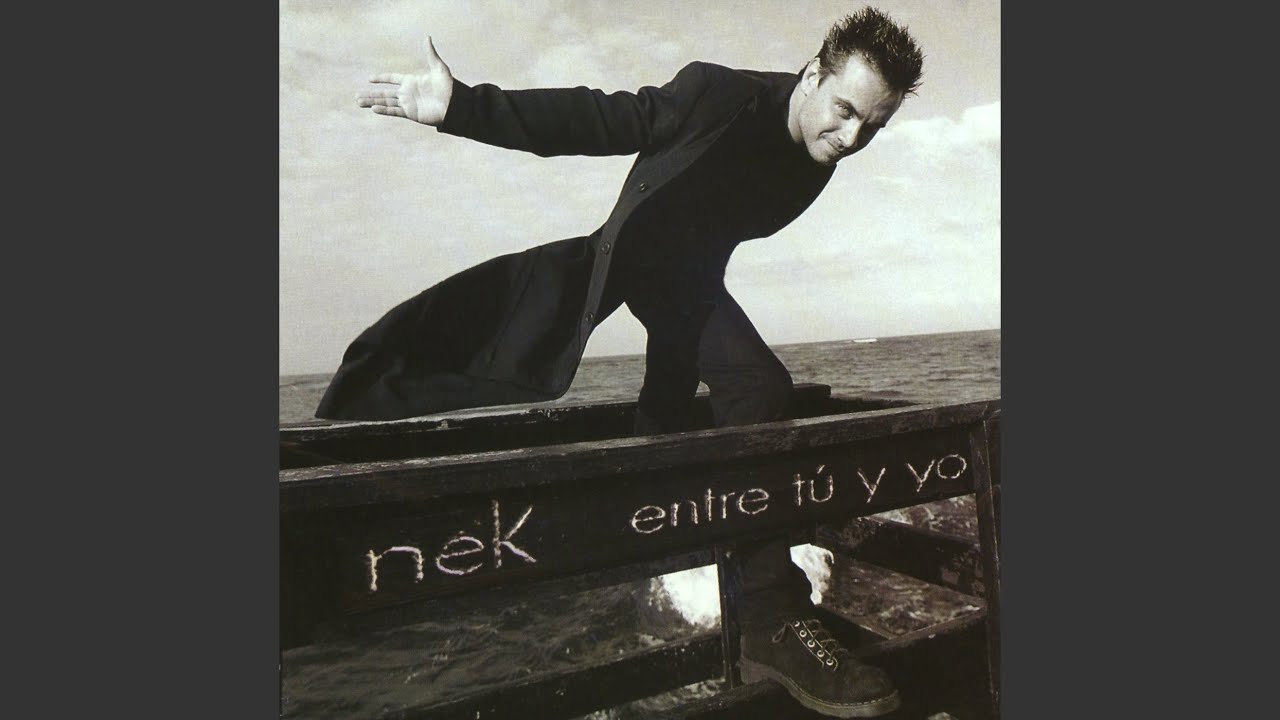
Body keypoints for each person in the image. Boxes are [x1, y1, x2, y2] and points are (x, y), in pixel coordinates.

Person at [321, 7, 922, 717]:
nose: (851, 138)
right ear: (813, 74)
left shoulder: (815, 154)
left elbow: (717, 224)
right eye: (846, 110)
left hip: (692, 280)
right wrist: (464, 107)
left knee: (669, 414)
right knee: (757, 385)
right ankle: (769, 615)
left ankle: (667, 530)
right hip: (643, 265)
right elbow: (599, 118)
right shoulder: (717, 96)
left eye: (872, 127)